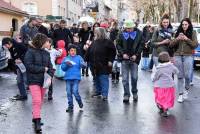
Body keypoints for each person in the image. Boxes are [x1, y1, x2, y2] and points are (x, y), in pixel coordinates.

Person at [24, 33, 54, 132]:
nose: (48, 43)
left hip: (44, 81)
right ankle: (37, 122)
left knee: (39, 101)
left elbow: (50, 67)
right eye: (46, 41)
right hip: (33, 80)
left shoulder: (46, 53)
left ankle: (35, 116)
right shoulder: (30, 52)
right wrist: (43, 69)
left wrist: (50, 75)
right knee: (37, 100)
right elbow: (28, 66)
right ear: (42, 42)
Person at [170, 18, 198, 103]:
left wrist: (186, 39)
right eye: (183, 24)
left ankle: (186, 89)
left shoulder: (193, 32)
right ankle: (181, 94)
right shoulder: (177, 32)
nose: (184, 26)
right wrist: (177, 38)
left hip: (188, 55)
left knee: (188, 75)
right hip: (178, 55)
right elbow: (171, 45)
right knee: (180, 76)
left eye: (186, 24)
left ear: (189, 25)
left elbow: (195, 45)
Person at [116, 19, 144, 103]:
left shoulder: (139, 33)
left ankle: (134, 92)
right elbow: (118, 45)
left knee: (134, 78)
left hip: (134, 59)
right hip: (124, 59)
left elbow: (141, 45)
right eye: (127, 28)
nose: (129, 30)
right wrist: (122, 54)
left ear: (133, 27)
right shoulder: (121, 34)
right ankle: (126, 94)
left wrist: (136, 55)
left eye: (130, 28)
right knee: (124, 79)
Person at [86, 27, 116, 101]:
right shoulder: (94, 41)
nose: (94, 34)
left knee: (103, 79)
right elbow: (89, 51)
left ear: (100, 33)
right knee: (96, 79)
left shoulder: (108, 42)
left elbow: (113, 52)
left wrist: (110, 60)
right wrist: (86, 59)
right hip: (94, 64)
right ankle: (98, 91)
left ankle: (104, 94)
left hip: (104, 64)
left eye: (96, 32)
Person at [151, 52, 179, 117]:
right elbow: (177, 71)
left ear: (159, 59)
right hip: (169, 86)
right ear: (168, 58)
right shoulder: (171, 66)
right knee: (168, 98)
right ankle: (165, 109)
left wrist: (153, 79)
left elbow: (155, 77)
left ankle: (161, 108)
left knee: (160, 98)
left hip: (159, 86)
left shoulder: (159, 68)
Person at [61, 45, 86, 112]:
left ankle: (79, 102)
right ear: (68, 51)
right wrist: (67, 65)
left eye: (74, 51)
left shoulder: (79, 57)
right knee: (69, 93)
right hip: (68, 78)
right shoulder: (66, 59)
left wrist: (83, 65)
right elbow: (63, 68)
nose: (73, 52)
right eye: (71, 50)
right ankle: (70, 106)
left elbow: (84, 65)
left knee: (75, 91)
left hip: (76, 78)